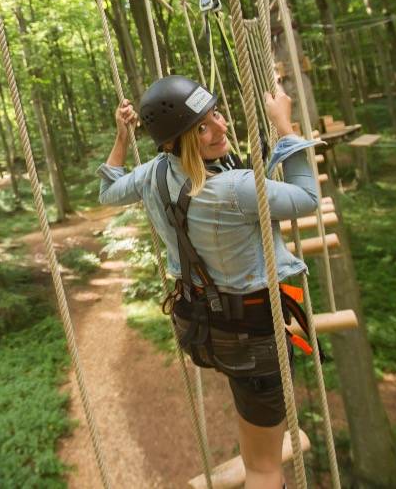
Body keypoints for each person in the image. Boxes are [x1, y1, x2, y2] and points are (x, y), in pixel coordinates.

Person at [97, 75, 320, 489]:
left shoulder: (155, 173)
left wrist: (122, 140)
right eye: (201, 127)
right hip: (254, 340)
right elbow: (308, 200)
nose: (220, 128)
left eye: (215, 113)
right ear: (173, 142)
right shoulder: (236, 188)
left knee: (252, 414)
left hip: (204, 332)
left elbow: (108, 192)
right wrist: (286, 127)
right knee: (264, 470)